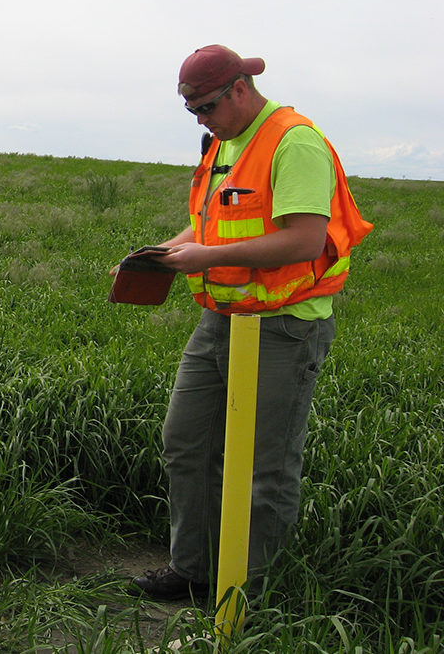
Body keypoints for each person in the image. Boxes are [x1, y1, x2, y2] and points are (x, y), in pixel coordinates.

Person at [129, 45, 373, 601]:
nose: (201, 121)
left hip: (285, 328)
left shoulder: (295, 141)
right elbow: (210, 225)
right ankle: (193, 568)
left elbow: (305, 239)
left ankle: (250, 592)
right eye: (192, 112)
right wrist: (165, 250)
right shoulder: (224, 144)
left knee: (267, 467)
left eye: (207, 108)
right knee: (185, 443)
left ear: (240, 89)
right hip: (219, 321)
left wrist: (205, 259)